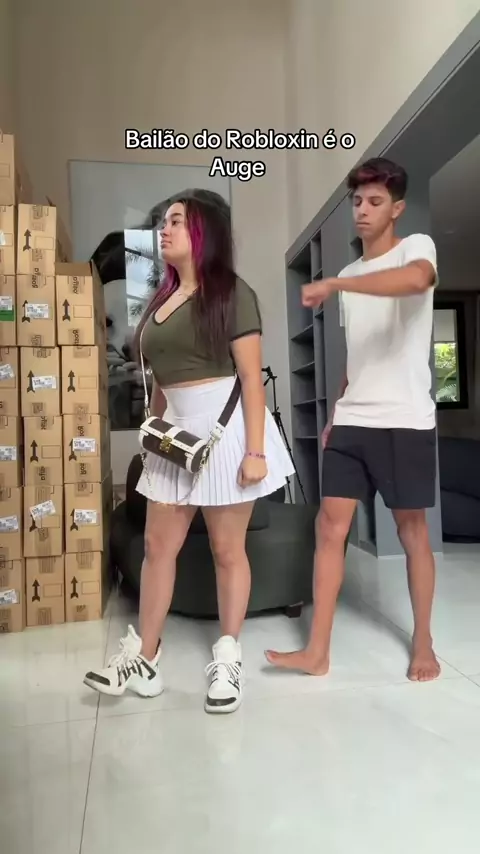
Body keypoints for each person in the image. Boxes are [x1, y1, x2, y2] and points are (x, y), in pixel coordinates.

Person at [84, 189, 295, 713]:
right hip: (174, 436)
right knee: (158, 547)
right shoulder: (161, 300)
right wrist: (153, 425)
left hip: (225, 431)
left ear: (204, 231)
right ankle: (144, 660)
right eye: (164, 222)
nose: (165, 229)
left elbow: (251, 379)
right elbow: (161, 377)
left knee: (227, 551)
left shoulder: (232, 293)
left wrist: (255, 452)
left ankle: (228, 659)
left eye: (177, 221)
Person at [266, 157, 441, 683]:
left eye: (375, 201)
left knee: (411, 531)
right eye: (357, 201)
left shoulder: (416, 248)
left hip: (405, 420)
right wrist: (338, 410)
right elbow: (359, 351)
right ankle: (317, 651)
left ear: (397, 208)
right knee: (329, 527)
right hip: (352, 421)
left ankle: (424, 641)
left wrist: (340, 287)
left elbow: (416, 281)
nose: (362, 210)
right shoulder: (348, 275)